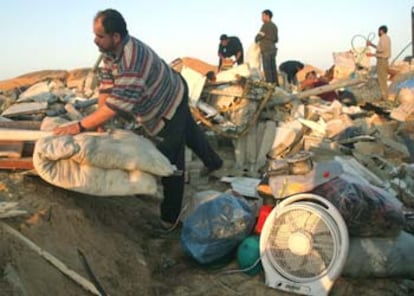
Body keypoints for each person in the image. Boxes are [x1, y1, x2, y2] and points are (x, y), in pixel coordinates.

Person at [53, 9, 223, 228]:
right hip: (170, 88)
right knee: (189, 131)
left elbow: (116, 106)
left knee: (172, 159)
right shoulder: (109, 53)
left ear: (115, 37)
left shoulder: (132, 59)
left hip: (168, 101)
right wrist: (99, 123)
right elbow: (106, 89)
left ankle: (169, 220)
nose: (95, 40)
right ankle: (214, 162)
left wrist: (79, 126)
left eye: (100, 36)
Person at [366, 25, 391, 100]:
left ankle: (385, 97)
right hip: (384, 60)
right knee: (383, 79)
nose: (378, 33)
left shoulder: (383, 38)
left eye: (378, 31)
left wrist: (372, 54)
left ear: (381, 31)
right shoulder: (387, 38)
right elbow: (380, 48)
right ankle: (385, 97)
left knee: (382, 80)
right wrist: (371, 45)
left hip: (382, 61)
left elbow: (381, 49)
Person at [255, 9, 279, 85]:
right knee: (273, 67)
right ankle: (275, 83)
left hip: (266, 48)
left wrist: (256, 39)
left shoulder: (265, 25)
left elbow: (259, 36)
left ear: (267, 16)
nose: (262, 18)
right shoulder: (274, 26)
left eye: (263, 16)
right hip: (273, 48)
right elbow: (276, 39)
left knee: (267, 67)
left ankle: (269, 83)